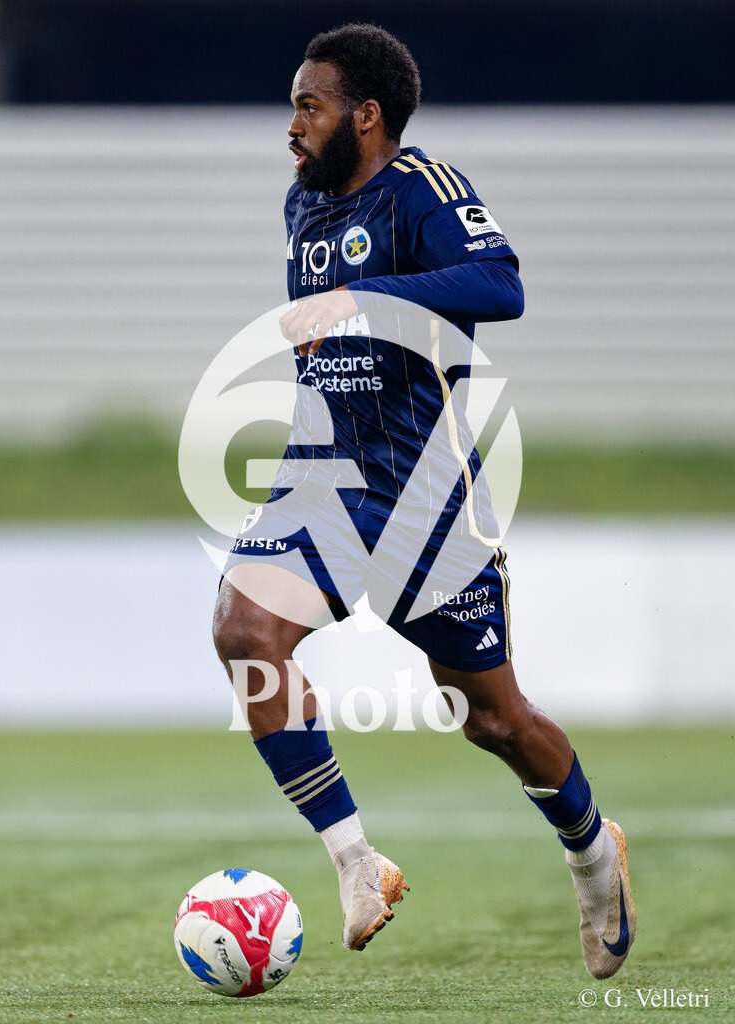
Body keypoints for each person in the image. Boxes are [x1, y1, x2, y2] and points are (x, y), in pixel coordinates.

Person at [213, 23, 635, 978]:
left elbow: (502, 284)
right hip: (321, 484)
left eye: (308, 106)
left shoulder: (425, 191)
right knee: (246, 633)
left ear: (366, 116)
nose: (291, 126)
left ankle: (593, 849)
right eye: (292, 105)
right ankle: (357, 862)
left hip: (426, 503)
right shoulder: (304, 208)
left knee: (490, 718)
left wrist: (363, 302)